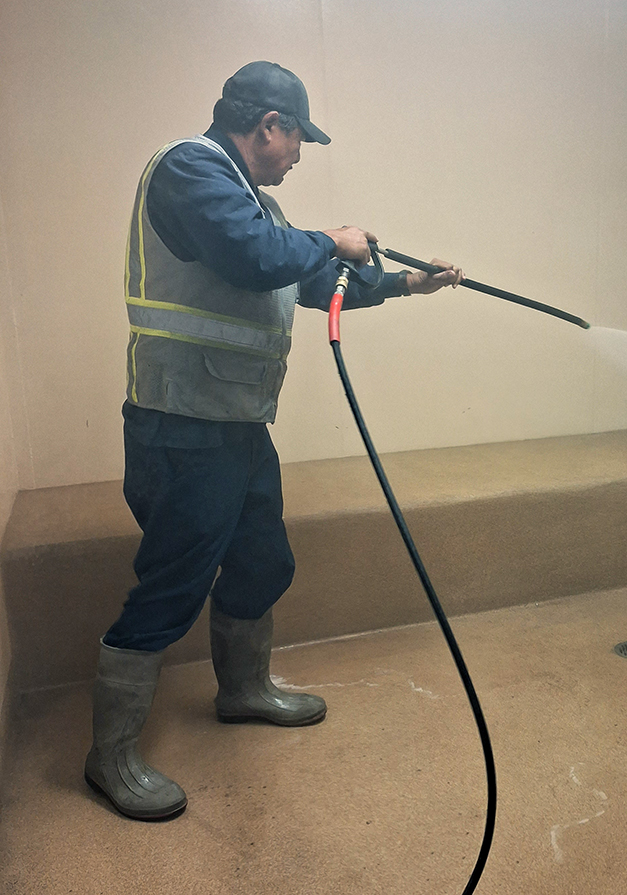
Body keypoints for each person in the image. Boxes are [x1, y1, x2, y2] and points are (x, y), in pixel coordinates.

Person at [85, 61, 463, 821]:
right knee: (170, 585)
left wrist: (404, 284)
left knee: (264, 560)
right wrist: (336, 235)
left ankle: (244, 689)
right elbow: (264, 258)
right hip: (183, 425)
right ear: (268, 126)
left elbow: (313, 279)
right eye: (298, 140)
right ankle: (110, 755)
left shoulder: (254, 206)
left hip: (234, 425)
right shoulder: (191, 170)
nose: (299, 154)